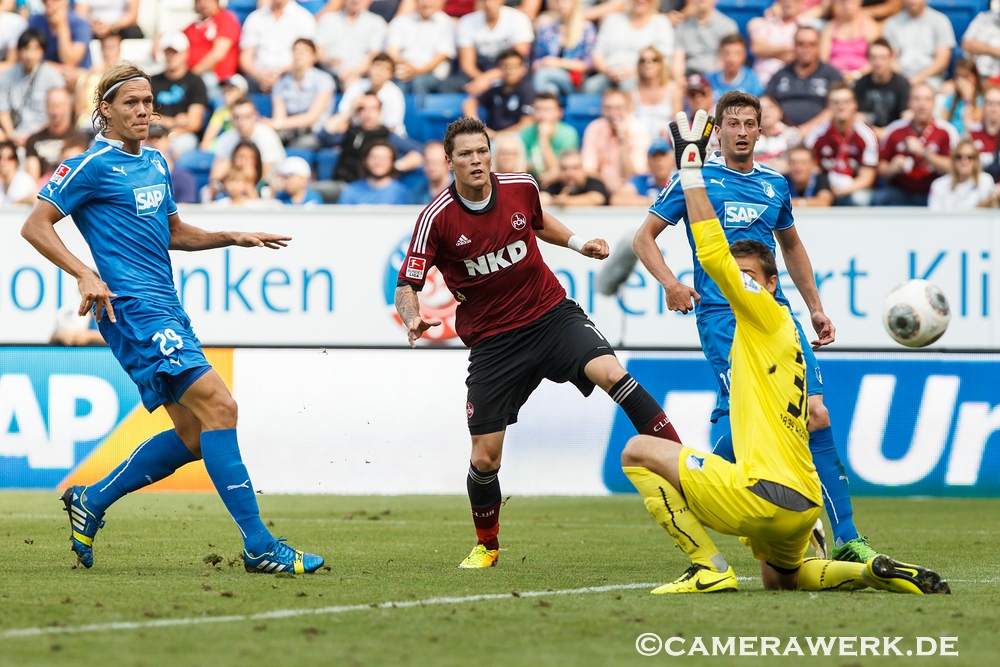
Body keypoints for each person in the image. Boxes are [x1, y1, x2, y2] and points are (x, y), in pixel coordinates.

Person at [622, 108, 949, 596]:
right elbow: (643, 237)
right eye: (730, 123)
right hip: (721, 318)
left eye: (748, 123)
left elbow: (792, 246)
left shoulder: (774, 184)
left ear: (759, 130)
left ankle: (849, 540)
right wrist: (670, 282)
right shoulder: (695, 180)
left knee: (815, 412)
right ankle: (757, 506)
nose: (740, 131)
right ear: (720, 131)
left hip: (775, 313)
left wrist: (815, 308)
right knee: (744, 420)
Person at [20, 62, 323, 574]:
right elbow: (35, 225)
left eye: (148, 101)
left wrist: (232, 236)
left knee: (193, 434)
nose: (143, 110)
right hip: (133, 311)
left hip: (167, 307)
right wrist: (83, 272)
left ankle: (91, 500)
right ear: (105, 110)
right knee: (221, 409)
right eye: (131, 103)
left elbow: (174, 234)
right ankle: (259, 545)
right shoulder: (89, 166)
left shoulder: (158, 163)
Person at [394, 115, 684, 568]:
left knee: (613, 373)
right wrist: (412, 319)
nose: (476, 161)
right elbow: (407, 283)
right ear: (449, 162)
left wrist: (578, 243)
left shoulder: (520, 184)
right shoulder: (436, 217)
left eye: (482, 151)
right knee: (486, 458)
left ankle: (687, 470)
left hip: (550, 316)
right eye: (466, 154)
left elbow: (537, 220)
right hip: (493, 344)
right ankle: (487, 545)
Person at [874, 83, 957, 206]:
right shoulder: (895, 130)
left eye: (927, 99)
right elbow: (880, 167)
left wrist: (923, 153)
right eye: (917, 99)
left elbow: (953, 168)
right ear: (909, 103)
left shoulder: (946, 131)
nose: (922, 105)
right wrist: (891, 168)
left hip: (933, 192)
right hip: (901, 191)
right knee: (878, 199)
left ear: (934, 104)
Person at [322, 93, 423, 185]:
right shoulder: (350, 132)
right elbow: (324, 136)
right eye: (362, 109)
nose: (368, 113)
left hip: (369, 187)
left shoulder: (387, 135)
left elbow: (421, 151)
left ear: (380, 112)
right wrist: (349, 111)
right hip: (341, 183)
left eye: (373, 108)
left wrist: (395, 166)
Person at [804, 81, 878, 206]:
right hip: (824, 189)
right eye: (836, 102)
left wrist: (842, 191)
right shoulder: (815, 135)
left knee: (859, 199)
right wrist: (826, 189)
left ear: (855, 104)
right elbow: (809, 168)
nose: (841, 106)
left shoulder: (866, 135)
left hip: (854, 190)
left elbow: (867, 177)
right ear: (828, 106)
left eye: (846, 102)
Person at [586, 0, 680, 93]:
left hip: (642, 77)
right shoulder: (612, 19)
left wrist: (633, 72)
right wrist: (608, 71)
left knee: (628, 87)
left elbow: (664, 60)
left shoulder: (661, 23)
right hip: (609, 74)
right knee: (591, 86)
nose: (641, 1)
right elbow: (597, 54)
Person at [764, 26, 842, 137]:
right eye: (801, 44)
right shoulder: (781, 74)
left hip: (821, 134)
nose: (806, 49)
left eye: (811, 44)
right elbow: (767, 102)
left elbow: (836, 108)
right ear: (794, 46)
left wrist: (805, 129)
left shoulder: (831, 75)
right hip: (782, 134)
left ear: (818, 47)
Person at [454, 0, 534, 97]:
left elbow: (518, 57)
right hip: (479, 68)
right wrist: (482, 79)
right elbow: (467, 64)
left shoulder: (518, 18)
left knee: (519, 81)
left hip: (509, 68)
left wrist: (487, 78)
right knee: (451, 85)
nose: (489, 3)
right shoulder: (467, 21)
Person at [267, 38, 336, 149]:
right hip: (289, 132)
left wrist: (277, 124)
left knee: (300, 145)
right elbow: (278, 116)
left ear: (313, 57)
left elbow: (311, 118)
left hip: (315, 133)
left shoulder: (324, 80)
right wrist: (276, 124)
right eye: (296, 50)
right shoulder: (281, 83)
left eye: (304, 51)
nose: (299, 54)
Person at [0, 28, 64, 146]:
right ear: (19, 51)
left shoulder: (53, 77)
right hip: (13, 135)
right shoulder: (7, 76)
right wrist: (11, 135)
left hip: (42, 136)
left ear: (42, 51)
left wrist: (32, 137)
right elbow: (2, 109)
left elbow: (58, 112)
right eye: (26, 48)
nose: (30, 55)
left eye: (35, 49)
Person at [580, 87, 651, 194]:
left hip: (631, 186)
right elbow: (588, 169)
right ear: (602, 110)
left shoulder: (640, 130)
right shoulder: (594, 128)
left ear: (628, 109)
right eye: (608, 108)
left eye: (618, 108)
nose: (613, 113)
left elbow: (636, 174)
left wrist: (622, 140)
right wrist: (605, 180)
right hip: (601, 184)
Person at [238, 0, 317, 94]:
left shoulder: (304, 18)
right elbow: (245, 57)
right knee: (234, 86)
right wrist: (259, 76)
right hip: (257, 78)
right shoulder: (255, 18)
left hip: (291, 76)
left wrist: (280, 72)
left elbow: (308, 56)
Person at [150, 31, 208, 157]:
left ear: (185, 53)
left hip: (181, 135)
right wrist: (174, 121)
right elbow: (147, 116)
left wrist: (170, 132)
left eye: (175, 52)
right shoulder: (152, 81)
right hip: (154, 134)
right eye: (168, 52)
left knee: (180, 147)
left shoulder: (195, 82)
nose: (171, 56)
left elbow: (194, 122)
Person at [384, 0, 456, 98]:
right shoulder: (401, 21)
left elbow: (442, 55)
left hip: (432, 74)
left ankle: (418, 113)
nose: (427, 3)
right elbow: (392, 51)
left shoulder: (447, 23)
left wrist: (416, 71)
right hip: (403, 71)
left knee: (418, 82)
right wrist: (401, 66)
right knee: (394, 83)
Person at [210, 96, 286, 184]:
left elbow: (264, 177)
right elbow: (216, 176)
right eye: (237, 117)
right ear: (231, 119)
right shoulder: (226, 138)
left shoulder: (267, 136)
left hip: (269, 186)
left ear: (255, 116)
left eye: (247, 117)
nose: (241, 122)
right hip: (236, 186)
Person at [882, 0, 955, 90]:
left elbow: (942, 60)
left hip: (931, 79)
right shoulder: (892, 23)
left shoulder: (940, 21)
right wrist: (905, 80)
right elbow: (890, 58)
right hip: (899, 79)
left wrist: (916, 79)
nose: (913, 1)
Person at [316, 0, 387, 91]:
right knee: (321, 82)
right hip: (327, 73)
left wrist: (354, 72)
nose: (355, 0)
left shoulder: (377, 23)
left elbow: (373, 55)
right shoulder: (327, 19)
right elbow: (318, 49)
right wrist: (327, 60)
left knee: (354, 86)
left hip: (359, 75)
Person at [530, 0, 596, 97]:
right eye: (558, 2)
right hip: (551, 75)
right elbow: (536, 62)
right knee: (550, 88)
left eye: (565, 2)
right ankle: (550, 109)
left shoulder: (586, 28)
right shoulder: (547, 29)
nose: (561, 5)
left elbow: (589, 64)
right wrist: (544, 62)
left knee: (542, 74)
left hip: (575, 80)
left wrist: (559, 63)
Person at [462, 48, 534, 135]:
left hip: (516, 137)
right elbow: (470, 103)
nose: (510, 71)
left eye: (514, 67)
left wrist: (498, 135)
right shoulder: (496, 88)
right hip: (493, 136)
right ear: (498, 69)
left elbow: (527, 124)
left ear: (523, 69)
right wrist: (480, 128)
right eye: (505, 67)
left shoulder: (527, 90)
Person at [24, 85, 88, 182]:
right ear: (46, 107)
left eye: (60, 106)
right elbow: (32, 180)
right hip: (43, 188)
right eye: (52, 105)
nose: (55, 111)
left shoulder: (80, 138)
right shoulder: (34, 140)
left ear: (68, 107)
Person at [332, 52, 406, 136]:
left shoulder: (395, 93)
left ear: (390, 75)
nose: (379, 73)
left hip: (386, 137)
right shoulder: (356, 86)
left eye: (384, 69)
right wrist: (352, 108)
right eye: (376, 67)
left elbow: (392, 127)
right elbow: (342, 116)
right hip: (357, 133)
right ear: (369, 69)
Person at [853, 38, 910, 140]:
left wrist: (887, 132)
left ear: (891, 59)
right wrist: (873, 131)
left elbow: (906, 117)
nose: (878, 62)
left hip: (895, 136)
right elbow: (858, 116)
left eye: (883, 58)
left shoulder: (902, 83)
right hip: (867, 135)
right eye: (874, 57)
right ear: (868, 59)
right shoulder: (861, 83)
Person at [28, 0, 92, 88]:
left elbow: (69, 60)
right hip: (44, 78)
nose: (49, 3)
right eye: (45, 1)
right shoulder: (35, 22)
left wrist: (62, 25)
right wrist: (56, 69)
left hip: (75, 83)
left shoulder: (80, 24)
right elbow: (29, 57)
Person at [521, 92, 579, 188]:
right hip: (532, 180)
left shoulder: (568, 134)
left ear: (559, 112)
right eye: (538, 109)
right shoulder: (526, 132)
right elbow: (522, 165)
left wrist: (544, 140)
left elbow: (564, 169)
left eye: (547, 110)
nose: (542, 114)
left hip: (560, 183)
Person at [184, 0, 241, 96]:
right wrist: (159, 37)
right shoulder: (196, 25)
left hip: (219, 79)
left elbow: (217, 54)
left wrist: (191, 76)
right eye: (199, 1)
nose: (203, 3)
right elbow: (176, 36)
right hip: (197, 76)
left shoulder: (225, 19)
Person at [819, 0, 880, 85]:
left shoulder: (870, 26)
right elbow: (823, 60)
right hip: (834, 79)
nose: (848, 6)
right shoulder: (829, 27)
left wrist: (856, 75)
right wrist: (837, 75)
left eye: (852, 2)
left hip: (863, 79)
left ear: (859, 2)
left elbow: (876, 58)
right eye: (843, 2)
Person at [337, 138, 412, 204]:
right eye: (374, 157)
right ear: (365, 161)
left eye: (384, 158)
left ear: (392, 162)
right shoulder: (350, 192)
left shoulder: (401, 193)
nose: (378, 162)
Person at [748, 0, 803, 88]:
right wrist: (788, 48)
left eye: (793, 0)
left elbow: (796, 56)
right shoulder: (767, 22)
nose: (789, 3)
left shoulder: (803, 26)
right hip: (761, 80)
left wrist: (767, 51)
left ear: (800, 2)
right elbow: (756, 48)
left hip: (789, 82)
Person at [928, 139, 996, 210]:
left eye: (970, 157)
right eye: (959, 157)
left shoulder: (985, 181)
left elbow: (990, 214)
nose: (964, 161)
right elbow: (934, 216)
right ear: (953, 160)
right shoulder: (939, 185)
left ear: (976, 161)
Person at [674, 0, 737, 75]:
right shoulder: (682, 27)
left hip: (715, 77)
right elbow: (678, 60)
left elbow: (724, 60)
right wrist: (679, 79)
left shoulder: (727, 26)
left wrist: (706, 79)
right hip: (689, 75)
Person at [632, 46, 682, 141]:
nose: (648, 64)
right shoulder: (632, 91)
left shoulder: (674, 89)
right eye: (643, 60)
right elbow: (630, 123)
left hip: (667, 141)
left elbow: (678, 122)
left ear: (661, 64)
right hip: (640, 140)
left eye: (654, 60)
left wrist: (667, 134)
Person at [143, 123, 197, 205]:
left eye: (158, 138)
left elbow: (187, 210)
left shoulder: (184, 177)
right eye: (150, 139)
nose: (154, 142)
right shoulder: (140, 175)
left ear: (168, 141)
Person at [610, 137, 674, 205]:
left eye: (663, 157)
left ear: (672, 160)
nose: (659, 162)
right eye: (655, 158)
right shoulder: (640, 180)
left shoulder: (679, 180)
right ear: (648, 162)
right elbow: (617, 199)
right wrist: (653, 202)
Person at [540, 147, 609, 206]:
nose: (569, 173)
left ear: (583, 169)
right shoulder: (555, 184)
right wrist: (551, 200)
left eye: (575, 168)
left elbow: (597, 199)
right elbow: (543, 198)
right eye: (564, 168)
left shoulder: (594, 182)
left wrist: (566, 201)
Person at [706, 33, 764, 102]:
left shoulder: (752, 81)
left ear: (744, 55)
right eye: (727, 53)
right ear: (721, 54)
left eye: (737, 53)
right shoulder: (708, 80)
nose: (732, 58)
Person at [934, 58, 983, 139]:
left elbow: (975, 121)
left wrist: (968, 98)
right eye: (959, 77)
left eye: (966, 77)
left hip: (971, 138)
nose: (961, 82)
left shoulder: (981, 99)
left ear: (975, 77)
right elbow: (942, 122)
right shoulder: (951, 99)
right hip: (952, 138)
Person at [754, 93, 799, 173]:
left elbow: (793, 165)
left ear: (780, 112)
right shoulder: (749, 138)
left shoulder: (792, 134)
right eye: (761, 109)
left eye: (770, 107)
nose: (766, 111)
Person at [199, 75, 246, 151]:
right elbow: (206, 141)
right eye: (225, 91)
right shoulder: (221, 112)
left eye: (231, 90)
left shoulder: (248, 110)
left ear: (242, 92)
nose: (227, 94)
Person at [962, 6, 1000, 84]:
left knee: (992, 95)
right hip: (973, 76)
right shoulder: (983, 17)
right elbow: (967, 45)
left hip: (996, 81)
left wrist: (980, 47)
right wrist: (994, 51)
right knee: (947, 89)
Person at [410, 139, 452, 205]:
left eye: (437, 162)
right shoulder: (418, 193)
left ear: (448, 163)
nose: (432, 167)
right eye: (428, 163)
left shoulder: (462, 191)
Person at [971, 86, 1000, 182]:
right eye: (990, 103)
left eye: (998, 104)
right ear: (983, 106)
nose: (994, 108)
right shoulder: (972, 132)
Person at [75, 0, 141, 40]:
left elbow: (133, 15)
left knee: (134, 32)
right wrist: (94, 25)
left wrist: (112, 27)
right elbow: (81, 15)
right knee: (80, 33)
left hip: (121, 27)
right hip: (94, 27)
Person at [0, 138, 36, 202]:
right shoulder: (2, 185)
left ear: (16, 160)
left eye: (9, 157)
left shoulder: (23, 180)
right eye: (0, 157)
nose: (3, 162)